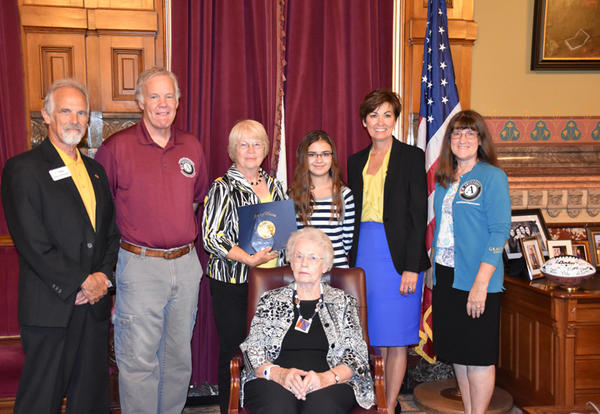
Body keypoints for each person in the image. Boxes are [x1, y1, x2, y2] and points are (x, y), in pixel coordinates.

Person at [1, 79, 120, 413]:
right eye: (66, 110)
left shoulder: (96, 172)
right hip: (51, 308)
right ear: (47, 115)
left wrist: (103, 279)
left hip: (93, 306)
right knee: (41, 401)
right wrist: (81, 281)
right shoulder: (23, 169)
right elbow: (32, 243)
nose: (74, 119)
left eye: (81, 112)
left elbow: (111, 234)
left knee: (91, 400)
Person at [95, 67, 208, 413]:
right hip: (140, 266)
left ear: (178, 101)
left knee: (177, 360)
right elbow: (102, 211)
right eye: (154, 96)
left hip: (186, 266)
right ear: (141, 102)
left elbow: (194, 200)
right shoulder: (116, 148)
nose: (163, 103)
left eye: (169, 96)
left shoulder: (191, 145)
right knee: (139, 361)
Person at [347, 89, 429, 414]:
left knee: (396, 336)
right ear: (364, 122)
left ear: (394, 120)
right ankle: (376, 399)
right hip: (363, 256)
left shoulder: (411, 157)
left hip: (399, 258)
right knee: (373, 336)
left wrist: (412, 266)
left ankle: (388, 406)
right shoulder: (354, 162)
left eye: (387, 115)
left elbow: (418, 215)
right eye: (373, 115)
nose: (380, 122)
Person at [240, 227, 374, 413]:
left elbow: (357, 354)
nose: (304, 263)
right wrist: (279, 374)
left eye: (312, 258)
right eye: (298, 256)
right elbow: (252, 348)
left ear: (326, 265)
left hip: (330, 380)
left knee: (322, 407)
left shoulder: (343, 302)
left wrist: (326, 378)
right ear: (291, 263)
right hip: (275, 380)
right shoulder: (270, 300)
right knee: (278, 407)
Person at [202, 119, 286, 414]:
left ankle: (262, 405)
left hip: (272, 282)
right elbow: (211, 237)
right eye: (244, 144)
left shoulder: (275, 185)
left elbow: (283, 230)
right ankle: (230, 408)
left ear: (265, 149)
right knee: (234, 351)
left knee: (269, 347)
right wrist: (249, 259)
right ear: (232, 150)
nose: (251, 150)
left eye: (257, 143)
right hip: (233, 282)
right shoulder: (221, 187)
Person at [431, 110, 511, 414]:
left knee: (478, 357)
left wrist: (480, 284)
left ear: (480, 140)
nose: (462, 139)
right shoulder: (444, 178)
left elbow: (500, 230)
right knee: (460, 355)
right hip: (447, 274)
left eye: (469, 133)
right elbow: (442, 228)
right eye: (456, 133)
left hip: (479, 277)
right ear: (449, 140)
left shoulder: (492, 176)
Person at [289, 130, 355, 267]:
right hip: (304, 271)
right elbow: (290, 240)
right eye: (312, 154)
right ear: (304, 158)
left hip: (337, 270)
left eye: (325, 154)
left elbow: (347, 242)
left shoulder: (345, 195)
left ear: (332, 157)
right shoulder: (292, 195)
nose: (319, 160)